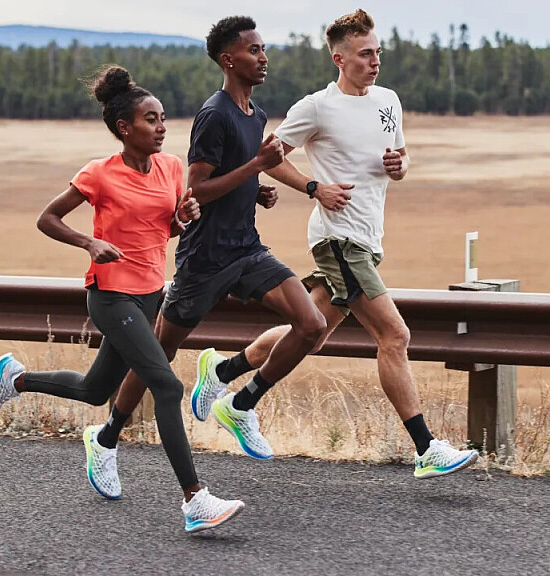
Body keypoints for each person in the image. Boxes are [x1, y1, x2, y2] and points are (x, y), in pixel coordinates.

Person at [192, 9, 479, 479]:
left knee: (314, 330)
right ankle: (426, 448)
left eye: (378, 52)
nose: (375, 61)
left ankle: (223, 375)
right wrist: (313, 187)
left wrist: (400, 167)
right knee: (395, 336)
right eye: (365, 54)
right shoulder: (317, 107)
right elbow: (268, 157)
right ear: (339, 59)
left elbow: (401, 157)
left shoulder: (388, 100)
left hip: (367, 237)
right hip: (338, 239)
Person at [0, 66, 244, 533]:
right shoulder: (100, 173)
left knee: (95, 390)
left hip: (149, 294)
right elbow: (47, 218)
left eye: (162, 119)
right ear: (125, 128)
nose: (161, 127)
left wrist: (184, 217)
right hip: (110, 295)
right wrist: (89, 243)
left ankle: (15, 379)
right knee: (167, 386)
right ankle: (194, 499)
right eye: (150, 120)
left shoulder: (171, 167)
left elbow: (163, 228)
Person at [90, 16, 325, 470]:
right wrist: (255, 168)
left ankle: (239, 401)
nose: (264, 57)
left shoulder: (256, 115)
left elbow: (231, 175)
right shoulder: (214, 114)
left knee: (312, 325)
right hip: (205, 259)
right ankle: (107, 437)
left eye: (263, 48)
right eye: (254, 50)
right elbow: (197, 188)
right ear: (228, 60)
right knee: (159, 353)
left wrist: (254, 190)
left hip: (247, 249)